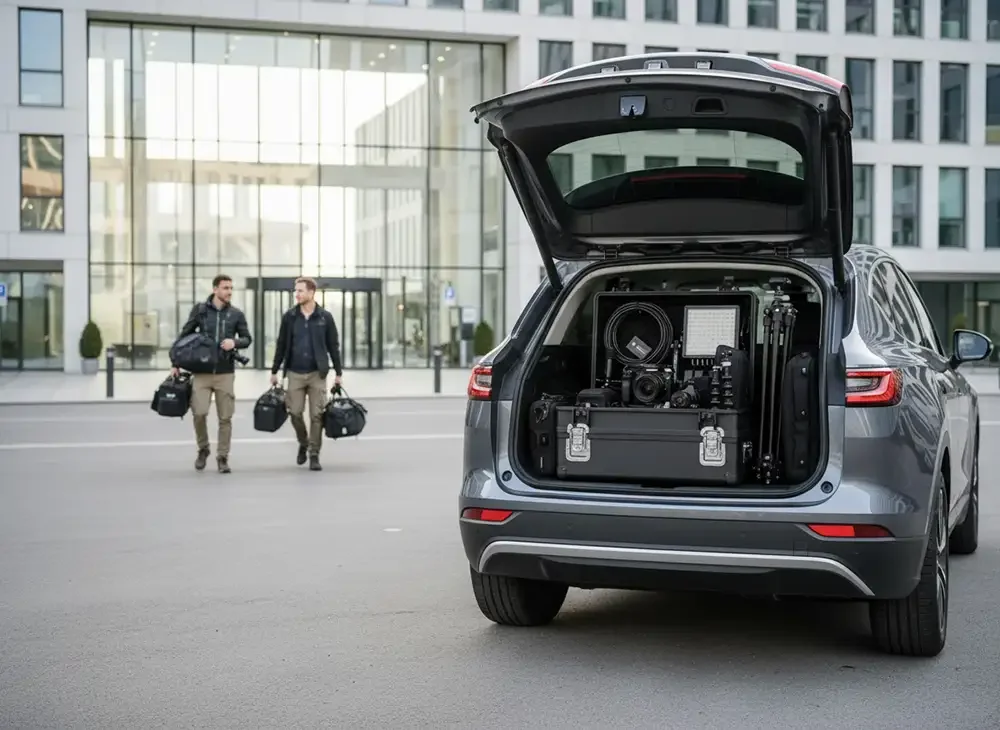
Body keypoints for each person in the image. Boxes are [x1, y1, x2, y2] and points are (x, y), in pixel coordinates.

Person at [171, 274, 252, 474]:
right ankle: (203, 449)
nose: (229, 292)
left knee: (225, 417)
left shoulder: (236, 314)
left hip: (225, 372)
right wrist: (176, 362)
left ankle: (222, 457)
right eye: (225, 288)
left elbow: (247, 338)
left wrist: (235, 343)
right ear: (215, 289)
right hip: (202, 372)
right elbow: (184, 336)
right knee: (199, 413)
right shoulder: (200, 311)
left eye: (231, 288)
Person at [270, 276, 344, 471]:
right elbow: (281, 344)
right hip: (294, 372)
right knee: (294, 412)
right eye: (296, 291)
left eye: (300, 291)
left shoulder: (325, 317)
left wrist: (338, 372)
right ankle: (303, 442)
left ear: (311, 293)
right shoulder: (290, 317)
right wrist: (275, 370)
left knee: (317, 415)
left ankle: (314, 453)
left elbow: (333, 346)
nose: (297, 294)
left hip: (317, 374)